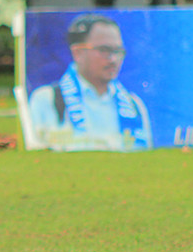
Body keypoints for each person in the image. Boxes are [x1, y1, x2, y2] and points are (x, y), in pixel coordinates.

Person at [28, 13, 152, 152]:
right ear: (77, 53)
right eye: (104, 50)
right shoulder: (47, 99)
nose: (113, 59)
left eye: (118, 51)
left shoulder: (134, 105)